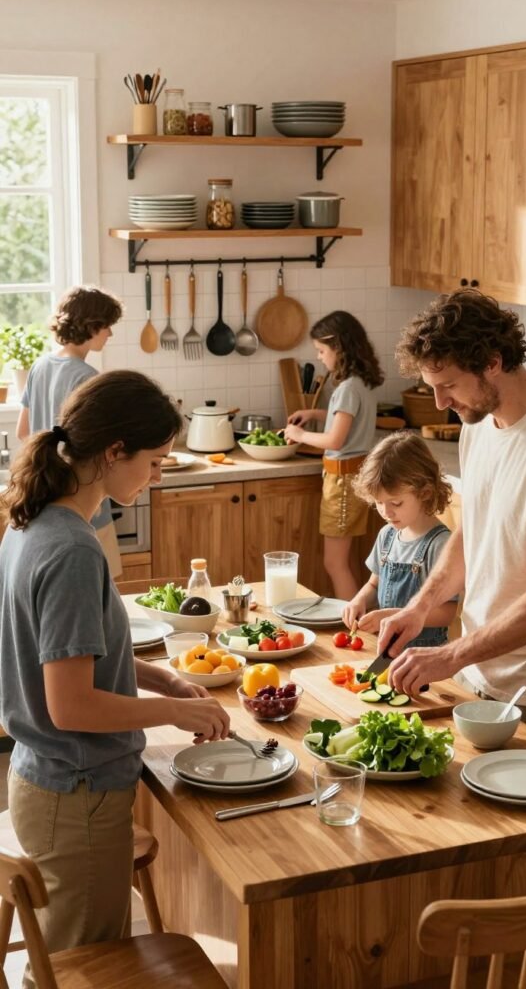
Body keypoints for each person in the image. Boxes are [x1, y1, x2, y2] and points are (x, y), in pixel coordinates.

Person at [0, 370, 230, 979]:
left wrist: (163, 681)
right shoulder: (73, 548)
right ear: (113, 452)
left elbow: (73, 654)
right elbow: (71, 706)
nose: (157, 477)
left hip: (46, 780)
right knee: (83, 967)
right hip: (76, 793)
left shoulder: (33, 522)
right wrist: (178, 713)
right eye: (153, 462)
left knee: (68, 954)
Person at [378, 290, 526, 754]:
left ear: (493, 362)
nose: (437, 401)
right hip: (476, 676)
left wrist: (450, 654)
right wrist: (419, 608)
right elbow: (474, 532)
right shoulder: (477, 425)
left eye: (447, 384)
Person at [16, 285, 124, 577]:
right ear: (92, 325)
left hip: (48, 496)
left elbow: (24, 432)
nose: (110, 334)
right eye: (107, 326)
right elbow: (100, 449)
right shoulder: (89, 380)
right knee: (102, 591)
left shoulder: (39, 366)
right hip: (83, 501)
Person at [283, 310, 384, 600]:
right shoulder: (359, 382)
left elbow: (336, 439)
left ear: (339, 348)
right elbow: (346, 420)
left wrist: (300, 436)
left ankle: (351, 627)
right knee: (347, 561)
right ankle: (357, 622)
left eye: (321, 350)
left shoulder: (347, 388)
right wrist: (315, 413)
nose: (319, 357)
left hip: (342, 483)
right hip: (353, 478)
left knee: (334, 563)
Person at [342, 432, 457, 641]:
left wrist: (393, 616)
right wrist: (359, 600)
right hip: (387, 652)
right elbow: (374, 584)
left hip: (423, 658)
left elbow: (447, 613)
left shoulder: (441, 544)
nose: (386, 512)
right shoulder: (387, 535)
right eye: (378, 502)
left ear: (425, 492)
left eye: (396, 503)